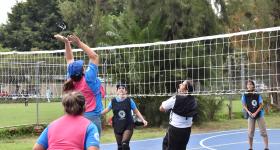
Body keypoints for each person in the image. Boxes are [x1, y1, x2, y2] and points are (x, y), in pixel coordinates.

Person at [54, 34, 105, 134]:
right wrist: (79, 43)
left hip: (76, 118)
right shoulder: (89, 78)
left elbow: (69, 59)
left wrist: (66, 43)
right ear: (82, 70)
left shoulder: (70, 79)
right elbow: (94, 56)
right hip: (92, 118)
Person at [33, 91, 100, 150]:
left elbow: (36, 148)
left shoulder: (52, 125)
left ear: (65, 107)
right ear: (84, 106)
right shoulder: (90, 126)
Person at [101, 83, 148, 150]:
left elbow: (136, 111)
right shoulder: (113, 101)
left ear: (126, 91)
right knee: (120, 147)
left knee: (124, 144)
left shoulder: (129, 101)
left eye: (123, 88)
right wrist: (98, 114)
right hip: (117, 126)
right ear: (117, 91)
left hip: (128, 125)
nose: (121, 90)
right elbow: (106, 110)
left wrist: (143, 120)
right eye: (119, 88)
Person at [159, 80, 197, 150]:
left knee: (169, 146)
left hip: (175, 130)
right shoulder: (193, 100)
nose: (180, 84)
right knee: (168, 143)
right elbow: (193, 116)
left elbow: (161, 108)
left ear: (186, 90)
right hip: (186, 130)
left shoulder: (176, 98)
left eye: (182, 84)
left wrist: (165, 104)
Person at [241, 80, 269, 150]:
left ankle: (266, 147)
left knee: (263, 131)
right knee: (250, 132)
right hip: (250, 114)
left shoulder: (257, 94)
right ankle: (250, 148)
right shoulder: (245, 94)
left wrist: (256, 113)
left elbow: (261, 105)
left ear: (253, 86)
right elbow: (244, 105)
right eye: (248, 84)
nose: (249, 86)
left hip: (259, 114)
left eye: (250, 84)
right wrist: (248, 112)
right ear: (246, 86)